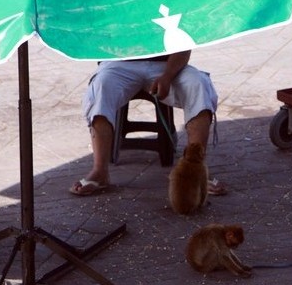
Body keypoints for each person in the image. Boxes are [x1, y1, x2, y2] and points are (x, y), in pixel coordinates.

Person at [70, 50, 226, 197]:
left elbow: (184, 43)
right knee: (100, 87)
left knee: (199, 84)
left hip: (167, 64)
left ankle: (196, 170)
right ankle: (99, 172)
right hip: (118, 62)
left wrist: (167, 76)